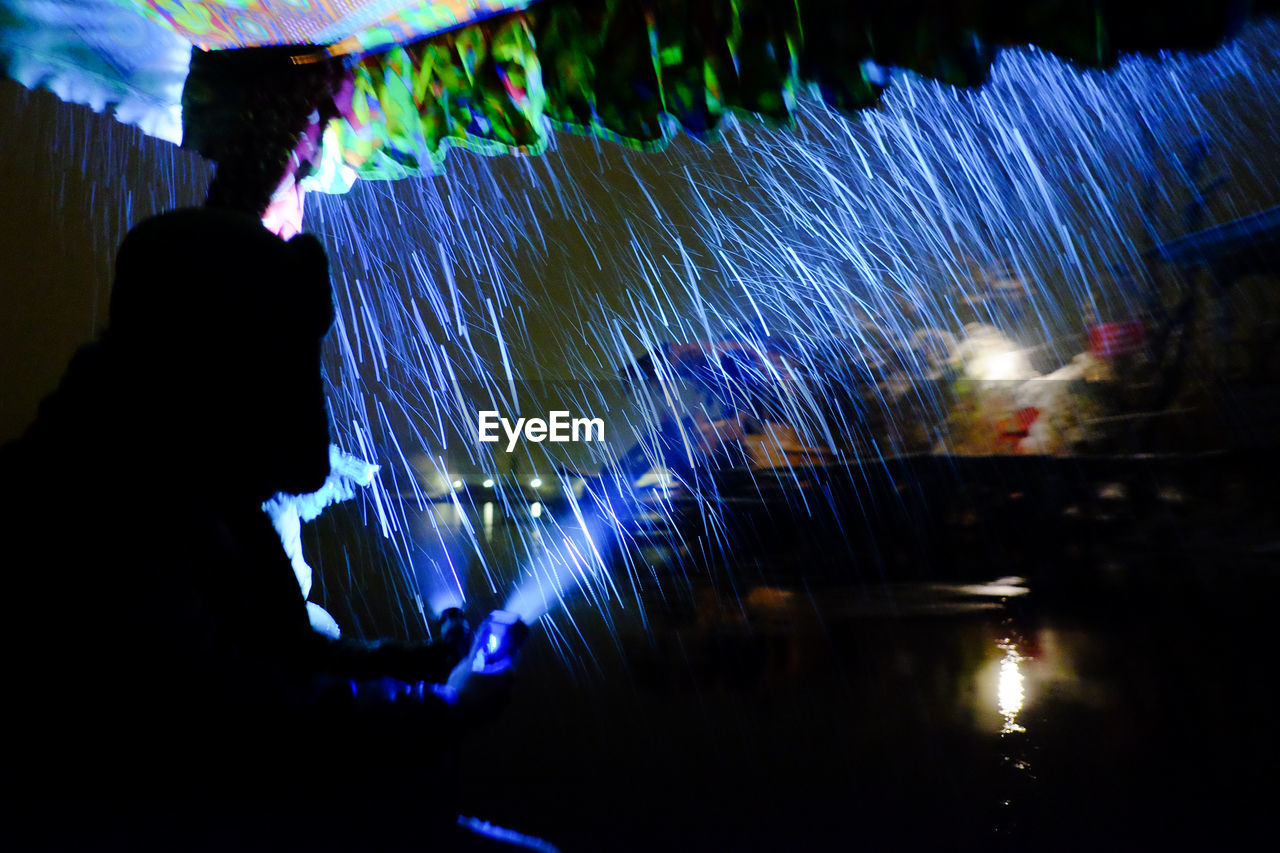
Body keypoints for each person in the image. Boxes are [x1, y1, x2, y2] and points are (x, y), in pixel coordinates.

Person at [0, 207, 519, 851]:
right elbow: (236, 724)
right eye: (290, 362)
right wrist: (444, 709)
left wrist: (417, 664)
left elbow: (278, 656)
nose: (306, 391)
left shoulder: (169, 477)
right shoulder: (90, 515)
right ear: (219, 359)